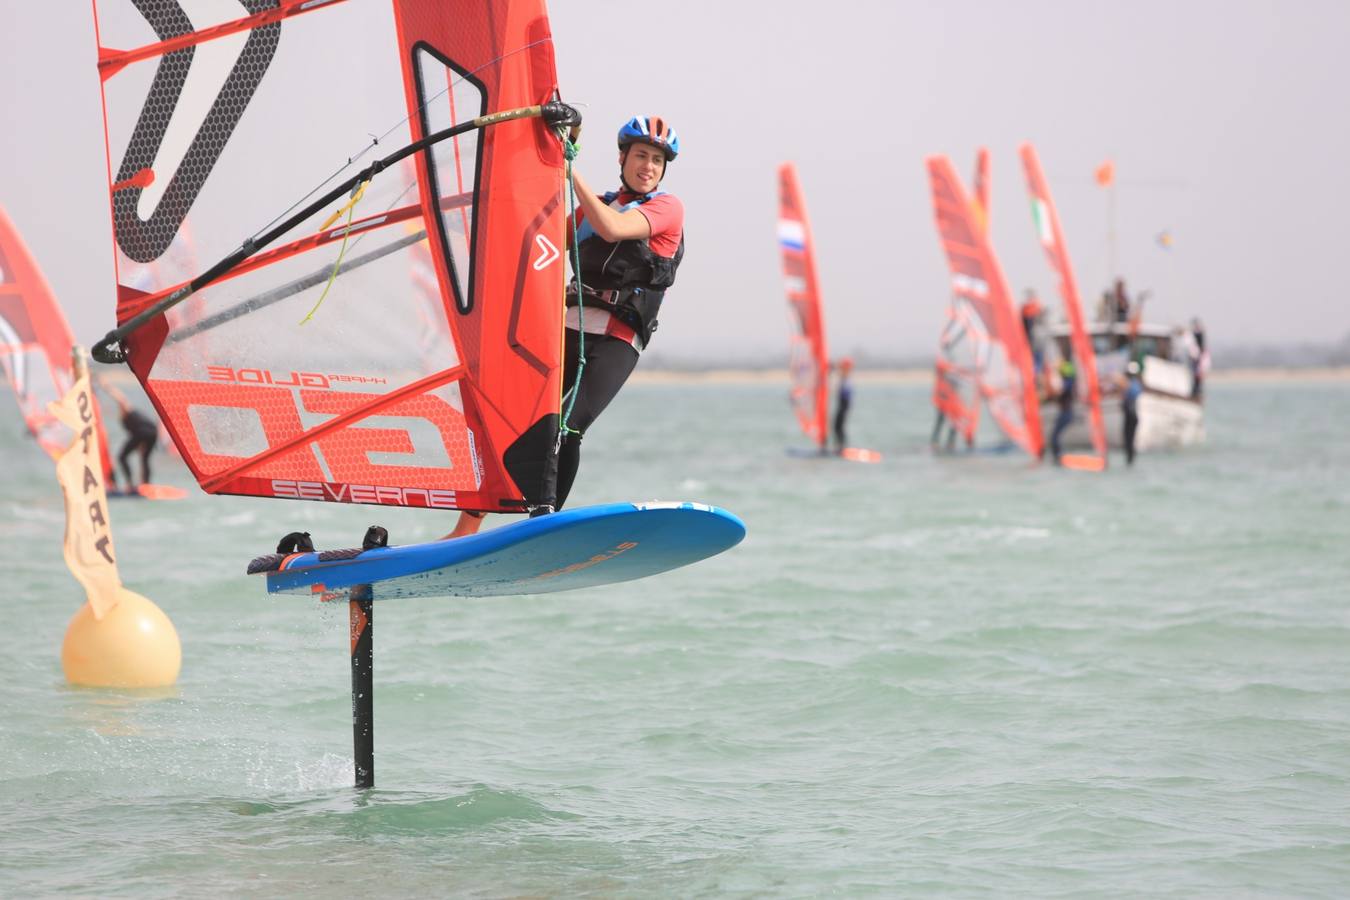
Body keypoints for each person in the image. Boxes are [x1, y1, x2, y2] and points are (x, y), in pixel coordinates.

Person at [446, 115, 684, 539]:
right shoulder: (591, 210)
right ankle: (466, 528)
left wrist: (569, 169)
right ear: (623, 158)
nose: (648, 166)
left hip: (617, 339)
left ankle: (542, 524)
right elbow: (542, 236)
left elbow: (614, 229)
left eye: (656, 160)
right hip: (567, 327)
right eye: (641, 156)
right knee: (508, 419)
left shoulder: (666, 208)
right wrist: (554, 150)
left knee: (568, 427)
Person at [98, 377, 158, 492]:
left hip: (143, 433)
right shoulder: (132, 415)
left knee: (122, 457)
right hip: (152, 432)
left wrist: (106, 386)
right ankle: (146, 485)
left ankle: (130, 484)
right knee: (144, 458)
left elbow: (121, 399)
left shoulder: (126, 411)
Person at [1049, 357, 1076, 464]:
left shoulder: (1066, 384)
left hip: (1066, 412)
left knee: (1054, 436)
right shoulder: (1065, 382)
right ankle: (1058, 456)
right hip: (1065, 412)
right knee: (1055, 436)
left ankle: (1058, 457)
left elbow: (1062, 390)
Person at [1121, 359, 1143, 465]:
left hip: (1131, 416)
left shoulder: (1132, 385)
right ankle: (1130, 460)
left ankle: (1130, 460)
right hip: (1131, 416)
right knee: (1128, 439)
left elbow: (1131, 395)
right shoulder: (1134, 384)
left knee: (1129, 439)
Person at [832, 357, 854, 454]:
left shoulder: (846, 377)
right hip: (842, 404)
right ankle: (840, 447)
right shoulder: (844, 376)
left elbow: (842, 373)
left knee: (838, 426)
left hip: (844, 404)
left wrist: (834, 368)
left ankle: (842, 448)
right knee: (837, 426)